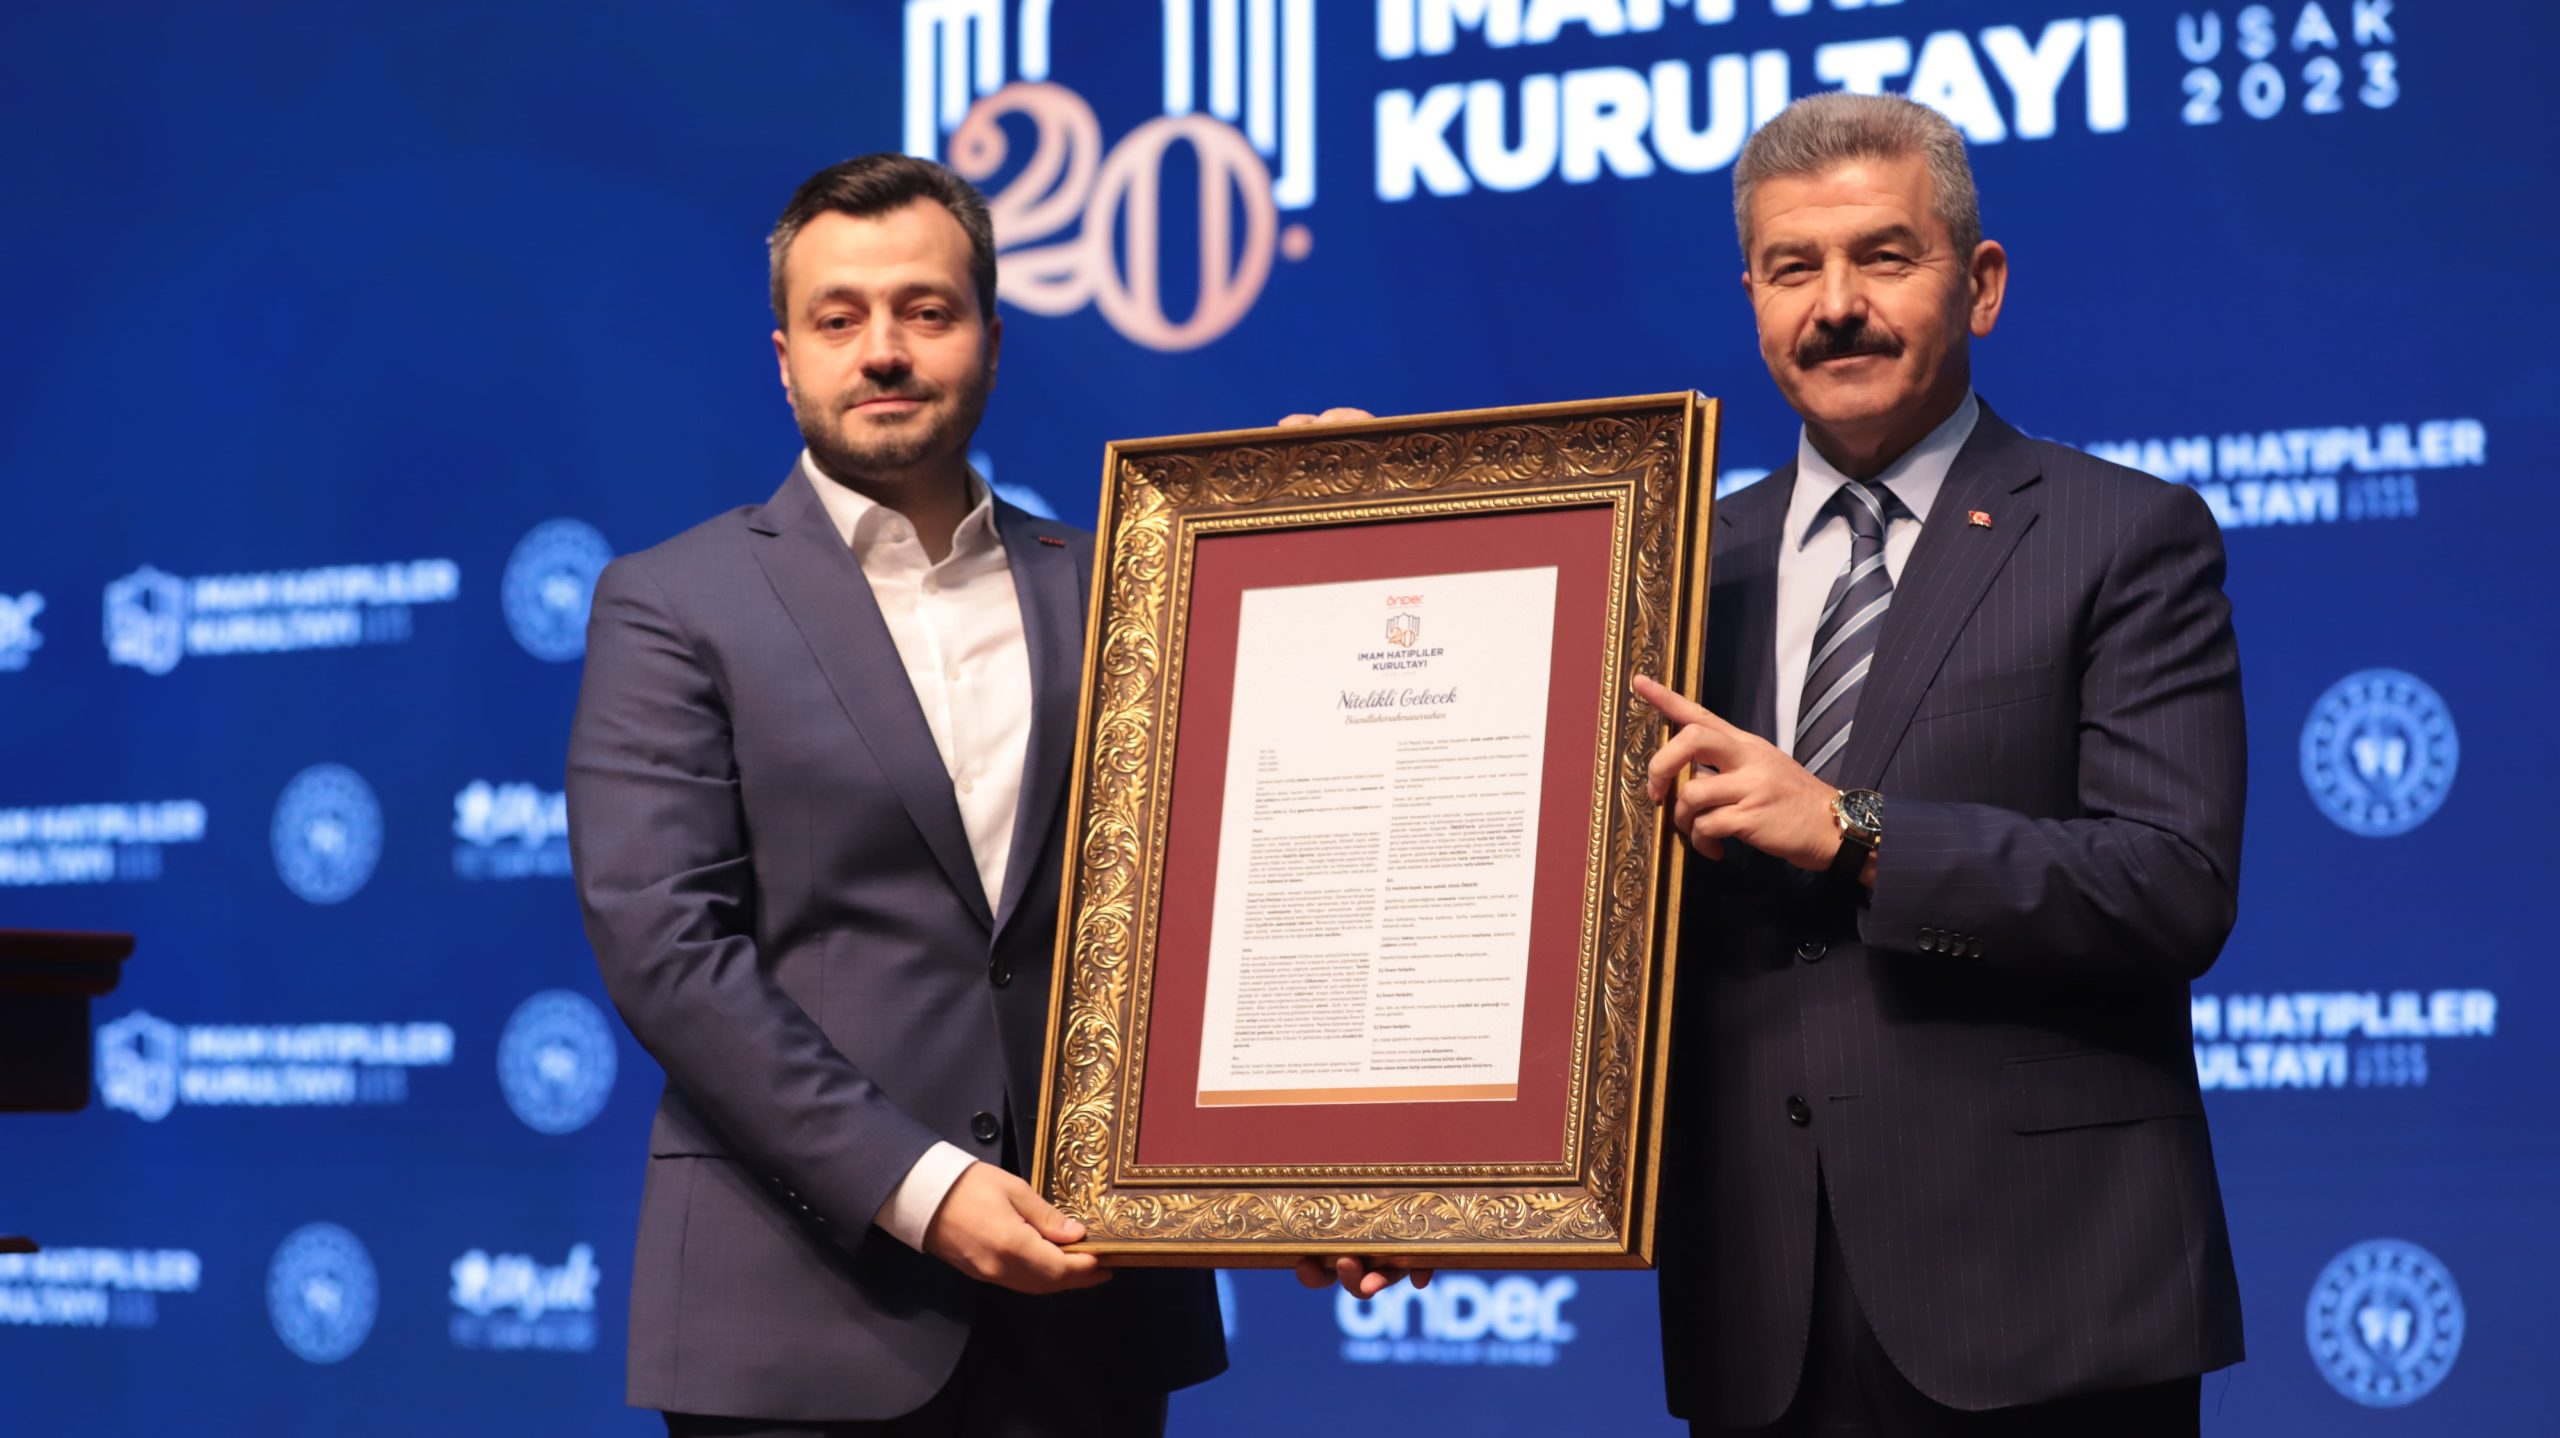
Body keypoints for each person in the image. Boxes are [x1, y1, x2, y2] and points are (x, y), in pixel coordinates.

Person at [567, 153, 1224, 1437]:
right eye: (839, 317)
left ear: (990, 339)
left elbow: (1221, 895)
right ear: (785, 357)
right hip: (803, 1310)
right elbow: (667, 949)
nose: (882, 350)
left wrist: (1336, 528)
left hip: (1091, 1302)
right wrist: (921, 1185)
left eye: (926, 311)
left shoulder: (1126, 582)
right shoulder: (673, 602)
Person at [1632, 92, 2247, 1435]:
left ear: (1981, 283)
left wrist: (1853, 828)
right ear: (1752, 299)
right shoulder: (1674, 567)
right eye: (1792, 268)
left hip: (2046, 1296)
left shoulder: (2120, 533)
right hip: (1758, 1303)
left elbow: (2172, 885)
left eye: (1883, 257)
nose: (1835, 305)